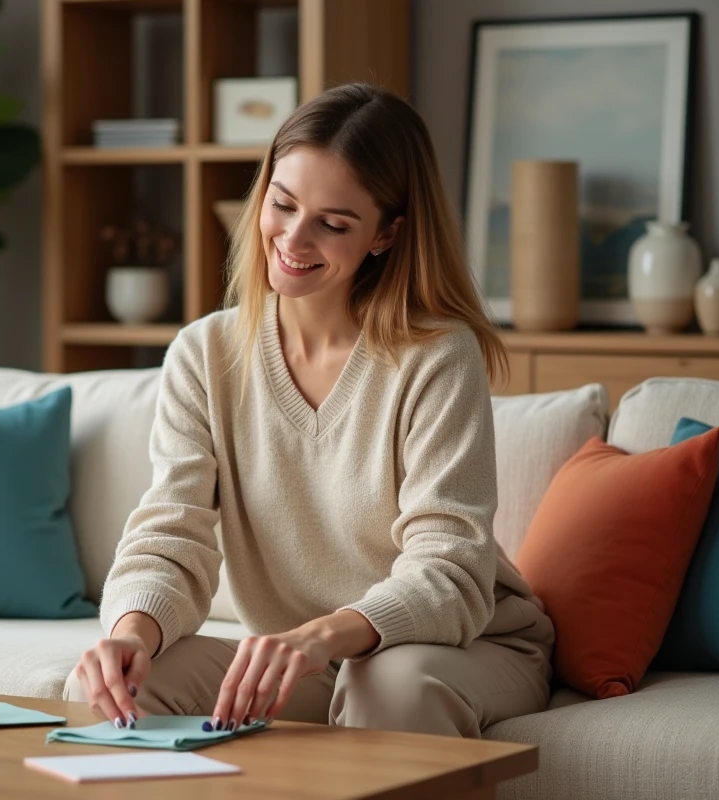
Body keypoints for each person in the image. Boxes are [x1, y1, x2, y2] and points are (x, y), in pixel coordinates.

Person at [64, 83, 554, 738]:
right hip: (308, 660)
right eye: (283, 204)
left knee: (389, 686)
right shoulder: (204, 353)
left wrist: (324, 636)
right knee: (113, 688)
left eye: (333, 222)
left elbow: (449, 568)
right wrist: (132, 633)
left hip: (464, 649)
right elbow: (171, 532)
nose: (293, 238)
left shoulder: (436, 356)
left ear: (387, 234)